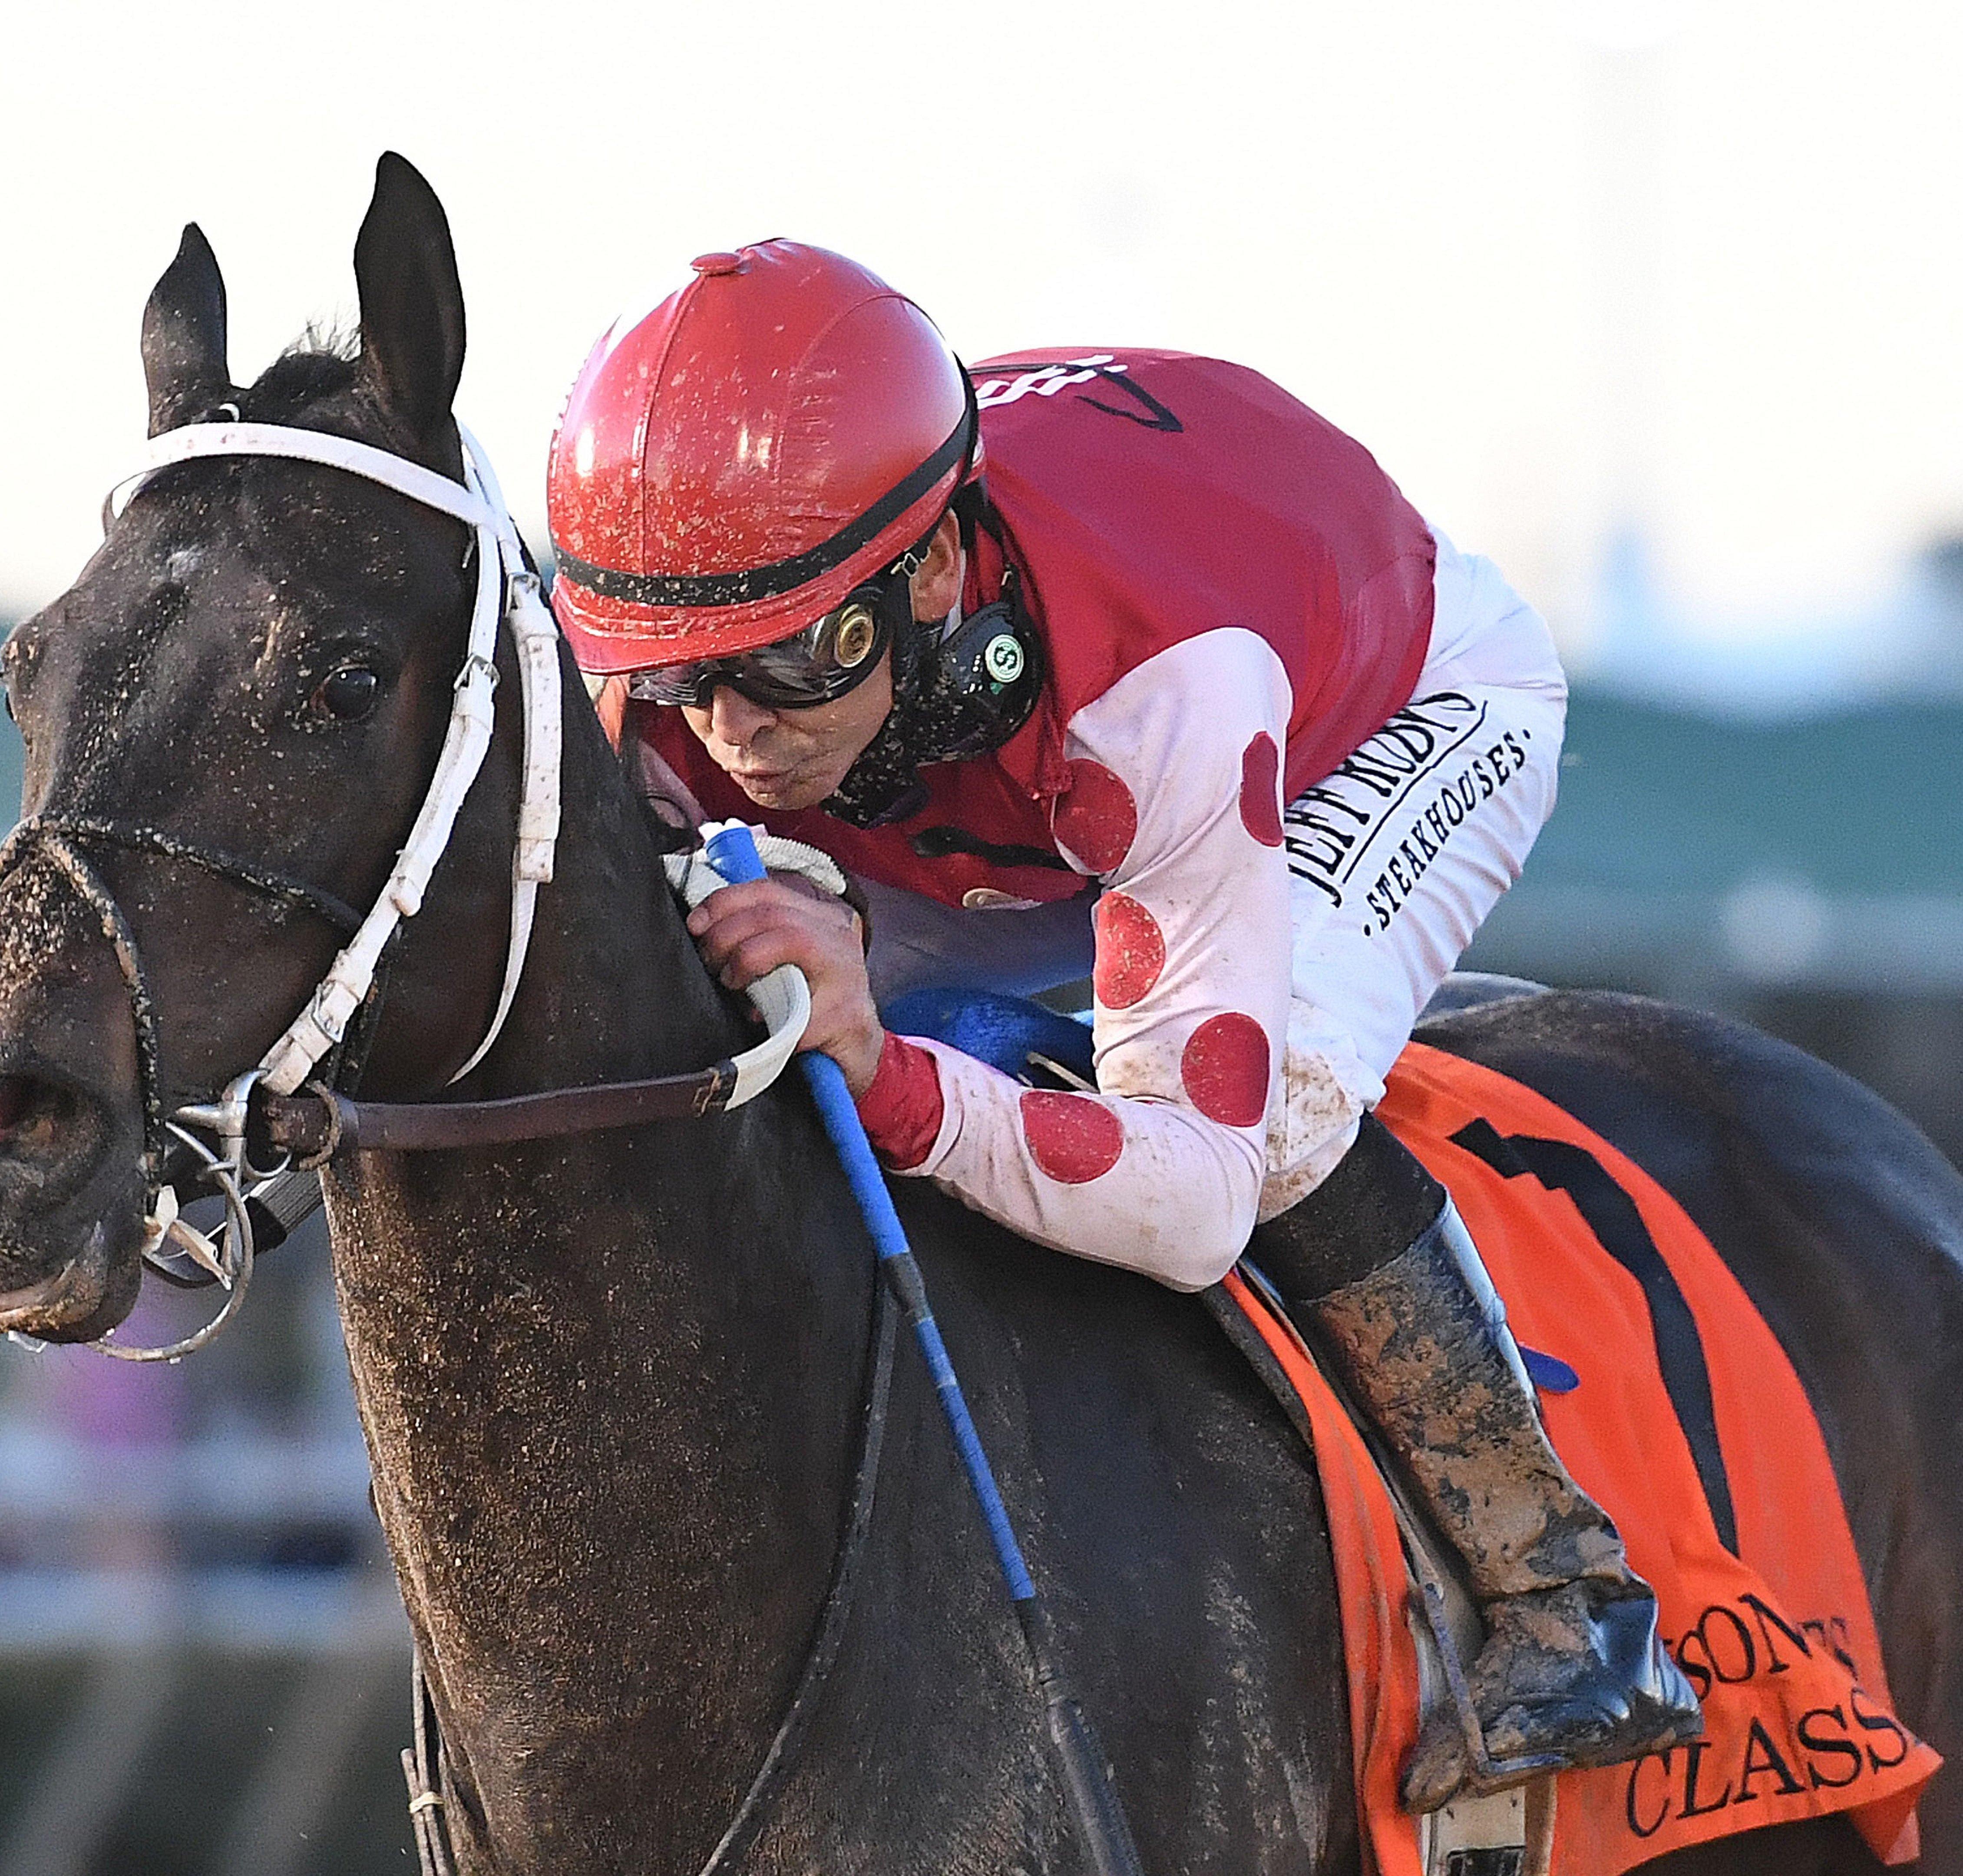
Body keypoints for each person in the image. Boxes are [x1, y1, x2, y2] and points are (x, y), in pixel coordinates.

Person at [544, 241, 1699, 1809]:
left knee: (1276, 1112)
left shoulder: (1162, 687)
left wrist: (891, 1074)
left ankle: (1563, 1593)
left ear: (937, 573)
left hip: (1386, 711)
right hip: (971, 787)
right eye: (683, 677)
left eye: (789, 657)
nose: (735, 731)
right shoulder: (679, 673)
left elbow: (1197, 1202)